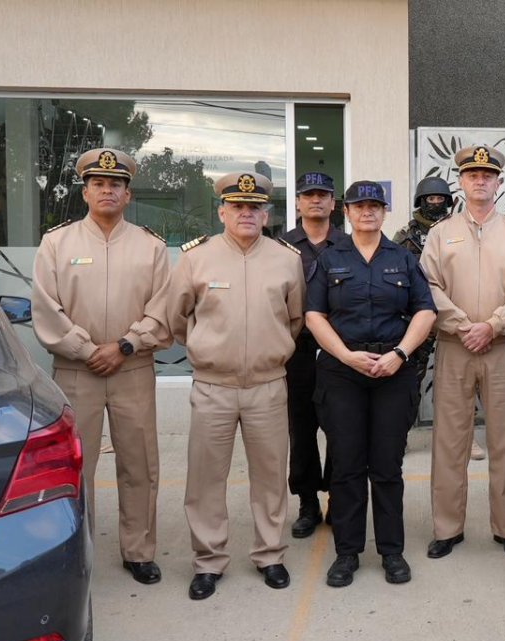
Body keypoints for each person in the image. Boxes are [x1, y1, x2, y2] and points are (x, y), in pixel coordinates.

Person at [32, 147, 172, 586]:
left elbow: (163, 309)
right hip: (77, 373)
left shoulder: (151, 246)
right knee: (75, 468)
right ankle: (77, 551)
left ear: (128, 194)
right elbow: (46, 308)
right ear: (85, 192)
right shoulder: (57, 243)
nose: (107, 190)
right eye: (98, 183)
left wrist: (126, 345)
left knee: (139, 464)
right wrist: (86, 349)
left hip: (133, 369)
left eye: (116, 184)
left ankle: (139, 551)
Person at [168, 171, 304, 600]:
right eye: (238, 206)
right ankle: (208, 561)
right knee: (206, 478)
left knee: (270, 476)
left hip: (267, 385)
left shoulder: (286, 259)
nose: (246, 213)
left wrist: (270, 350)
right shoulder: (197, 258)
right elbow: (177, 317)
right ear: (222, 212)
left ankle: (270, 554)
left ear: (266, 215)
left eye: (255, 207)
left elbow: (295, 319)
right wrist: (208, 348)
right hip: (214, 386)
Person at [304, 181, 437, 588]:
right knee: (346, 465)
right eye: (359, 205)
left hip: (392, 372)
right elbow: (314, 315)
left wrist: (400, 354)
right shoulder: (330, 259)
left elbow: (425, 311)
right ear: (346, 211)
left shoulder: (403, 258)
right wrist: (345, 355)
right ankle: (347, 552)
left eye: (375, 206)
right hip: (343, 372)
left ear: (384, 212)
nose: (367, 212)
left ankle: (391, 551)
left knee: (387, 465)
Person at [419, 145, 505, 560]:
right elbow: (428, 285)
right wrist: (463, 325)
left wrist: (493, 325)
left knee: (504, 441)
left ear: (498, 183)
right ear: (462, 182)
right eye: (473, 175)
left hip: (501, 348)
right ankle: (447, 528)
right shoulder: (440, 233)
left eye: (488, 175)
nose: (480, 180)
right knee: (450, 442)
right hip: (455, 346)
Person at [281, 172, 346, 540]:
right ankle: (307, 503)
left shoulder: (349, 244)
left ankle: (338, 498)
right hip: (299, 352)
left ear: (333, 203)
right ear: (298, 202)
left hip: (340, 353)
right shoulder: (281, 247)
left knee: (341, 428)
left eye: (323, 195)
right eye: (309, 195)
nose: (316, 200)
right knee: (301, 430)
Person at [393, 175, 454, 408]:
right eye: (431, 198)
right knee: (413, 370)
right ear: (421, 201)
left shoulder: (457, 229)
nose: (436, 203)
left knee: (459, 371)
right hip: (419, 310)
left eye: (440, 198)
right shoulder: (406, 235)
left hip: (453, 307)